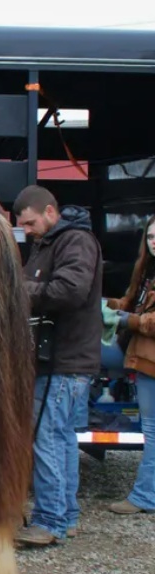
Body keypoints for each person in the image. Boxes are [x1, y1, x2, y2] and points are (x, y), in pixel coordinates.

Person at [13, 185, 103, 547]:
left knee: (45, 437)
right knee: (62, 438)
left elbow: (69, 291)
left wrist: (13, 289)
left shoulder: (75, 241)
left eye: (31, 223)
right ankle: (65, 517)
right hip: (65, 358)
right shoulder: (51, 243)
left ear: (51, 211)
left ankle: (48, 521)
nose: (28, 230)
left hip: (63, 359)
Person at [101, 213, 155, 516]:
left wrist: (127, 320)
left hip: (152, 362)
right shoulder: (147, 271)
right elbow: (130, 302)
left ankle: (146, 496)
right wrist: (105, 305)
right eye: (149, 237)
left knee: (153, 432)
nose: (154, 241)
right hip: (146, 359)